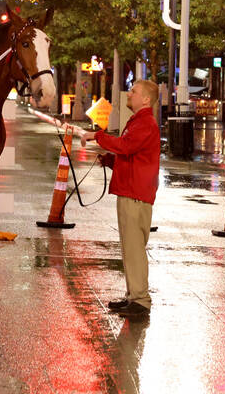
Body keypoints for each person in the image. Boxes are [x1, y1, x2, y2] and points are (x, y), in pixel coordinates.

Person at [82, 79, 161, 319]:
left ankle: (140, 300)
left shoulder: (145, 123)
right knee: (130, 246)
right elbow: (132, 155)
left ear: (146, 99)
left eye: (134, 91)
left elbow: (126, 147)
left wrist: (97, 136)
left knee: (134, 247)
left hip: (135, 195)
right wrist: (110, 161)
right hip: (131, 191)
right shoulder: (138, 122)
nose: (130, 94)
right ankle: (133, 296)